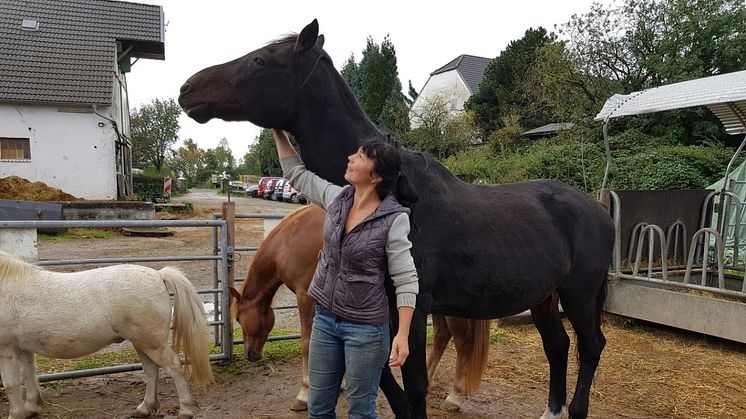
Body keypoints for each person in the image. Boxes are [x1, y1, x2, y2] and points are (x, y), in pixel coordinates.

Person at [272, 129, 419, 419]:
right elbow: (296, 174)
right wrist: (277, 130)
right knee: (318, 407)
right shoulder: (337, 197)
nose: (351, 158)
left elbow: (405, 279)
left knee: (361, 412)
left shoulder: (394, 220)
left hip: (365, 329)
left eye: (361, 156)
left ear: (376, 176)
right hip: (325, 320)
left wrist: (402, 335)